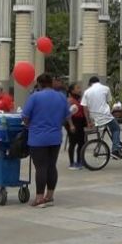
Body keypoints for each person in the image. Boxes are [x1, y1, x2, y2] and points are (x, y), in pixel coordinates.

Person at [21, 73, 69, 207]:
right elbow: (66, 116)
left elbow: (25, 116)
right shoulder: (61, 97)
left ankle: (39, 198)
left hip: (38, 137)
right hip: (55, 137)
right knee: (52, 166)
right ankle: (50, 195)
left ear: (40, 84)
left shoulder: (35, 97)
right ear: (51, 83)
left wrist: (29, 125)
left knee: (41, 167)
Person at [81, 76, 122, 156]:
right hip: (105, 115)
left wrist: (88, 122)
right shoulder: (106, 88)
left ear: (90, 83)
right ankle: (115, 149)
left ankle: (115, 142)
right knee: (116, 128)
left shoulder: (87, 92)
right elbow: (110, 102)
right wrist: (110, 112)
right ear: (98, 81)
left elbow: (85, 108)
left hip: (94, 117)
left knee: (110, 127)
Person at [66, 83, 87, 169]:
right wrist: (71, 125)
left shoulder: (79, 100)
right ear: (72, 91)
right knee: (73, 143)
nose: (80, 90)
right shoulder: (70, 100)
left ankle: (79, 161)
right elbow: (68, 114)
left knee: (81, 143)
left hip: (80, 123)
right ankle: (72, 162)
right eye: (78, 88)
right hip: (73, 122)